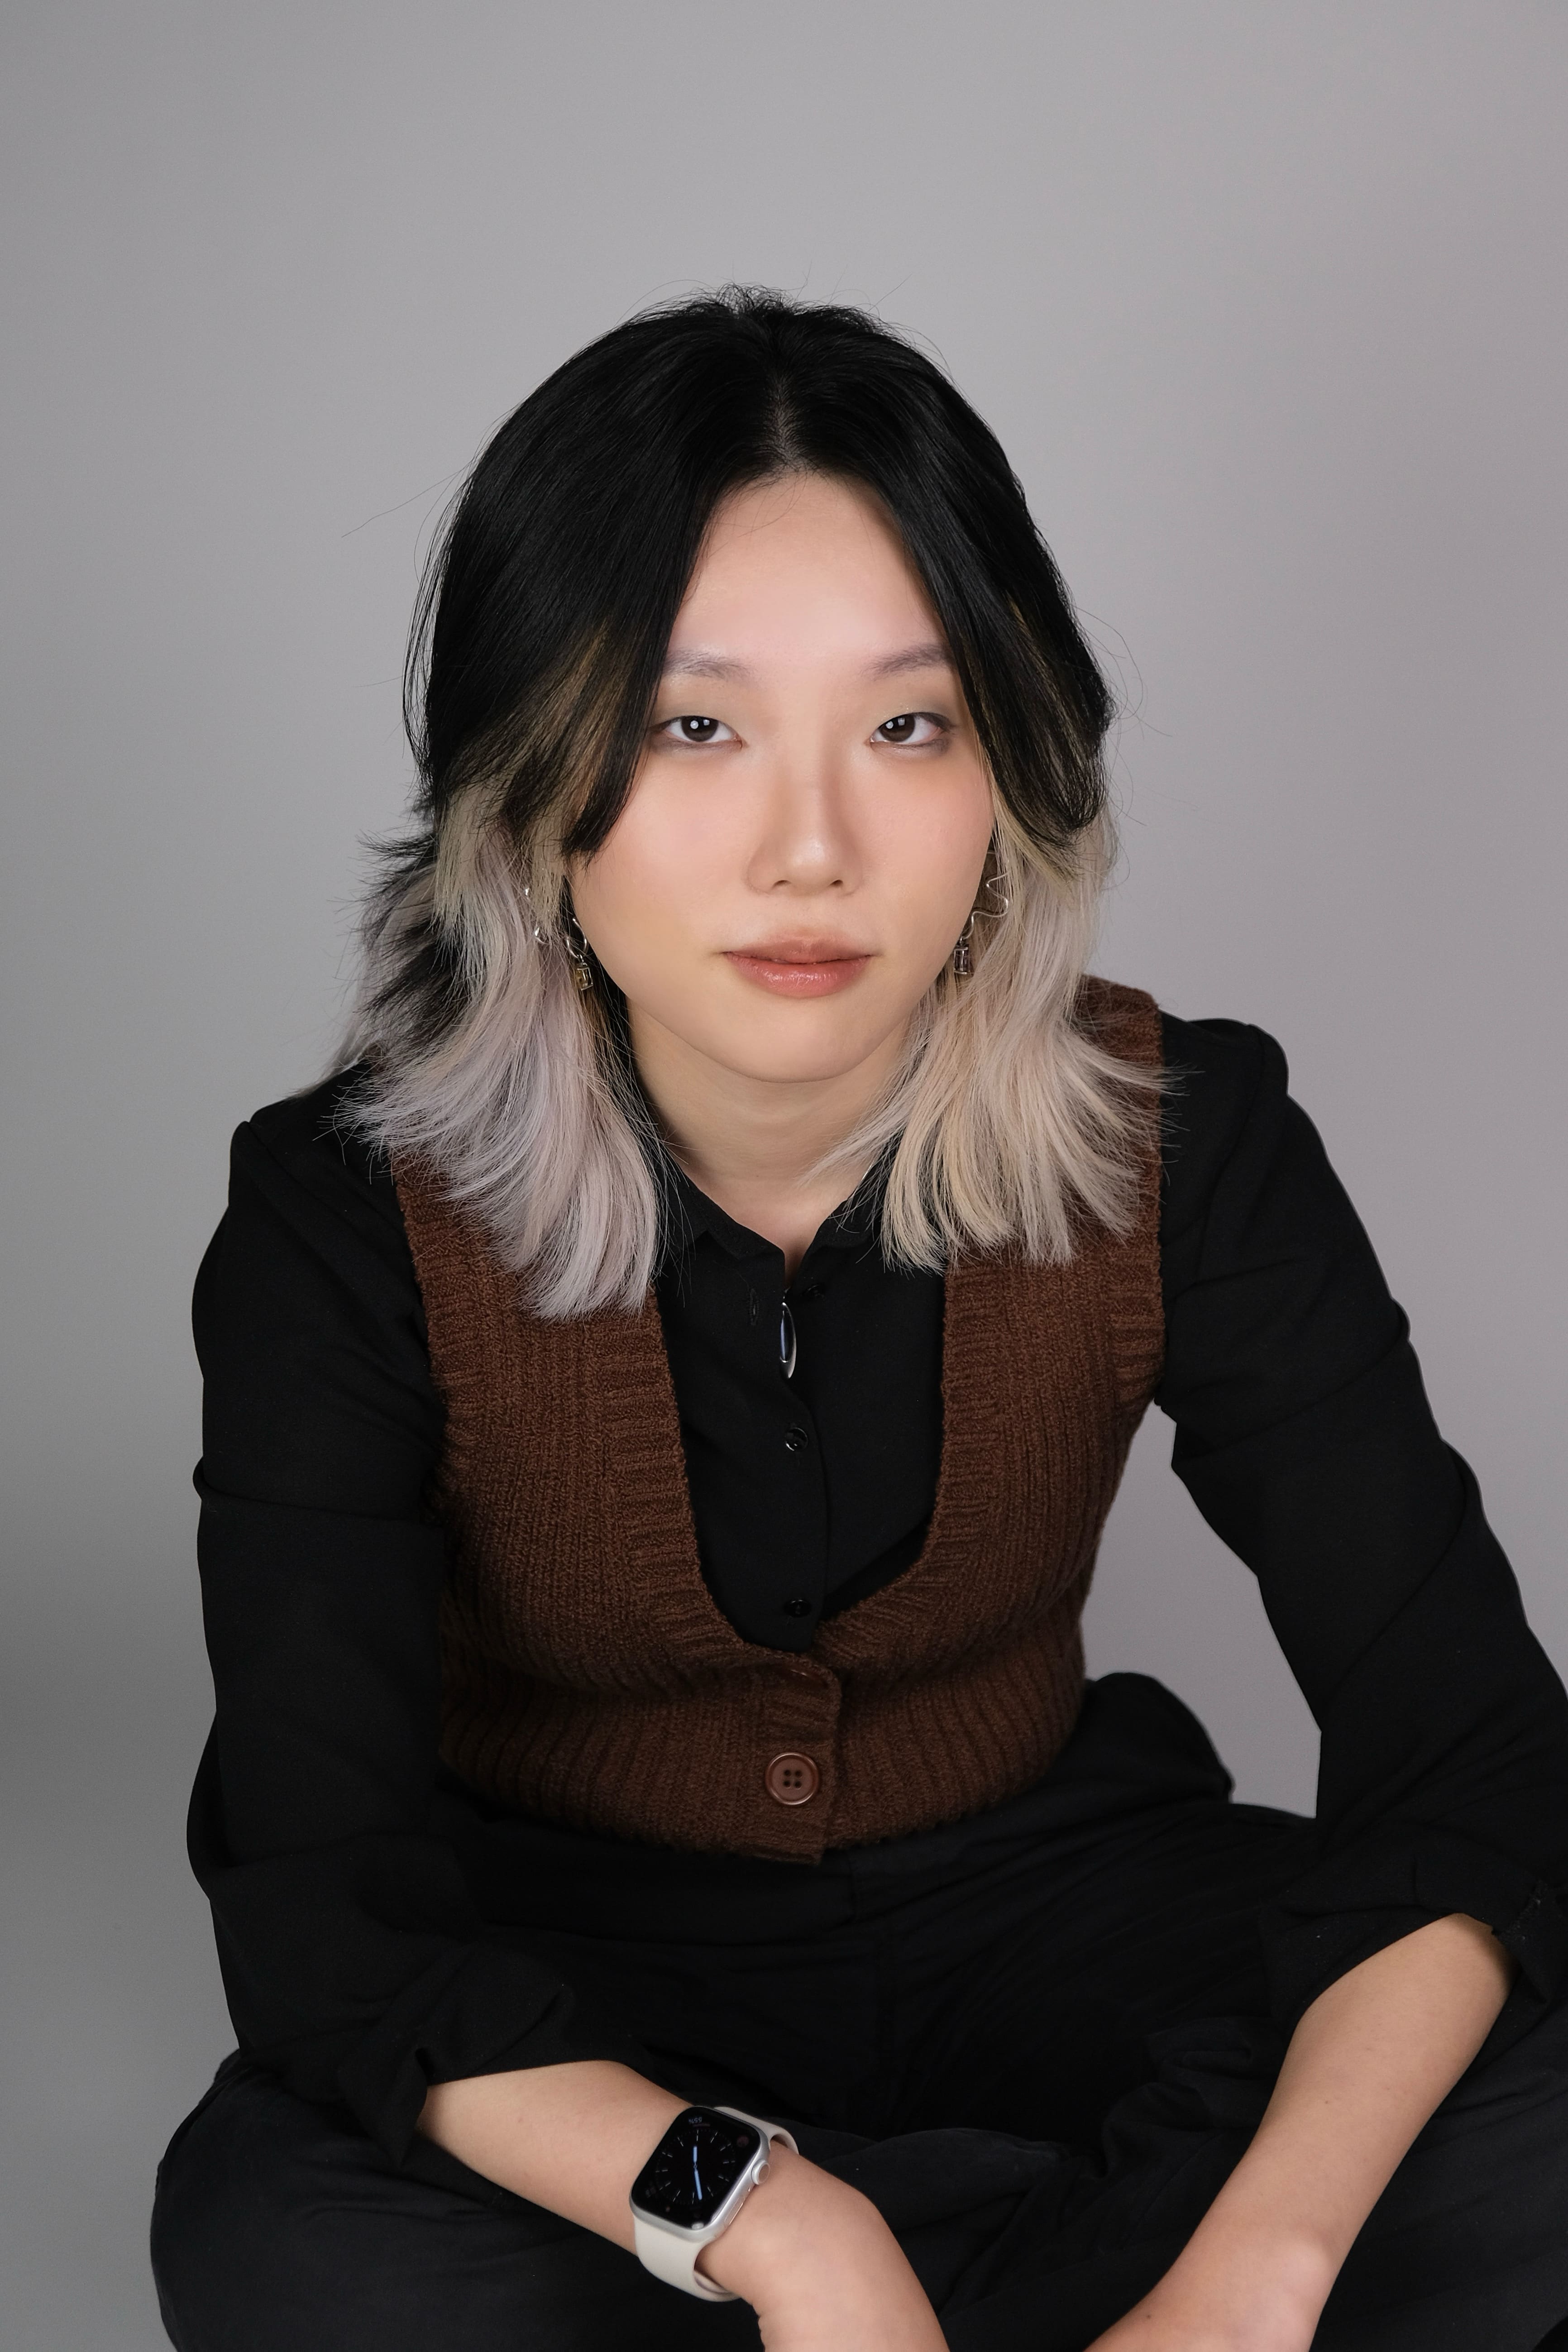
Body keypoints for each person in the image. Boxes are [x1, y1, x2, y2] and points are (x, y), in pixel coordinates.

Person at [151, 290, 1568, 2352]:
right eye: (689, 725)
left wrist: (1261, 2276)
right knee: (283, 2241)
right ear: (532, 781)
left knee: (1519, 2096)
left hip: (1050, 1905)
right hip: (580, 1978)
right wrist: (789, 2238)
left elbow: (1475, 1762)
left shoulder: (1185, 1137)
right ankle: (935, 2269)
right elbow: (334, 1922)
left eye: (906, 726)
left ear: (1011, 768)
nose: (810, 848)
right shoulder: (343, 1215)